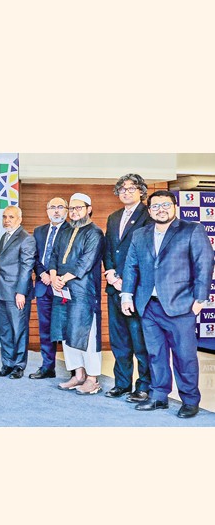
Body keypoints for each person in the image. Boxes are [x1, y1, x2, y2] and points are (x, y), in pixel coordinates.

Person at [121, 190, 214, 418]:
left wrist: (200, 299)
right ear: (149, 210)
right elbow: (131, 266)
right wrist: (127, 295)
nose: (160, 210)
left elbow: (204, 263)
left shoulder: (192, 230)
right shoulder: (140, 234)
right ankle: (159, 396)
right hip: (148, 306)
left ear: (175, 207)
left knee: (185, 357)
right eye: (155, 206)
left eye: (165, 205)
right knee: (155, 354)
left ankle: (190, 400)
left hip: (181, 305)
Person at [48, 193, 105, 395]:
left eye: (78, 208)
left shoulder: (94, 233)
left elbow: (86, 262)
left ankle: (92, 379)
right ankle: (78, 375)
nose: (74, 212)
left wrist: (63, 278)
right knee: (66, 333)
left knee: (86, 334)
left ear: (89, 209)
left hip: (84, 291)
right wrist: (53, 276)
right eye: (71, 208)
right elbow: (54, 255)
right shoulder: (65, 231)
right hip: (62, 289)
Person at [103, 174, 152, 402]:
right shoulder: (114, 217)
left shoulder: (148, 215)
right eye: (122, 189)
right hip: (114, 288)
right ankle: (122, 384)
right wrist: (111, 274)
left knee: (140, 342)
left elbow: (148, 253)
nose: (126, 192)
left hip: (136, 290)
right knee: (119, 340)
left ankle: (144, 386)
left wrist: (127, 281)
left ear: (141, 191)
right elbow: (108, 249)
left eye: (132, 188)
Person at [0, 206, 36, 379]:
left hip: (16, 293)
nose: (7, 220)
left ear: (19, 219)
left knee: (19, 330)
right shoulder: (5, 236)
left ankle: (19, 366)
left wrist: (21, 292)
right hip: (1, 290)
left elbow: (26, 267)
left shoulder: (26, 239)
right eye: (4, 217)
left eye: (11, 217)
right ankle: (7, 364)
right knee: (5, 330)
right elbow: (6, 261)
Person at [29, 197, 67, 380]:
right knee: (45, 329)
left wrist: (55, 276)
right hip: (43, 286)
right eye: (52, 207)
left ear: (66, 210)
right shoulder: (39, 231)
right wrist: (42, 273)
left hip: (62, 285)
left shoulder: (71, 230)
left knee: (65, 329)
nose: (56, 211)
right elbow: (35, 257)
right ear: (47, 210)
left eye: (60, 207)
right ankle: (47, 367)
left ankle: (75, 370)